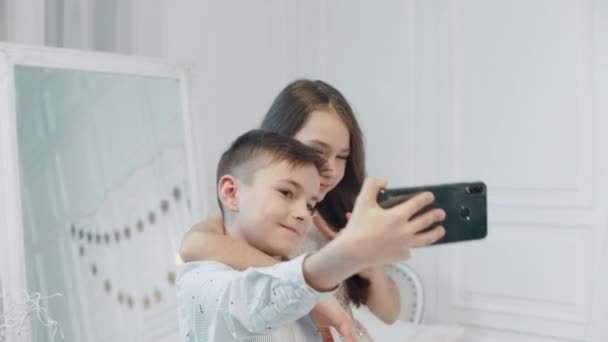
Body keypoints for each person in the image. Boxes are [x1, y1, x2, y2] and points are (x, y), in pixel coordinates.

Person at [180, 79, 446, 340]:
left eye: (342, 156)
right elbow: (196, 245)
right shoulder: (244, 218)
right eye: (317, 151)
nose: (330, 168)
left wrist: (364, 258)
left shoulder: (337, 213)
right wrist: (314, 293)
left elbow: (389, 313)